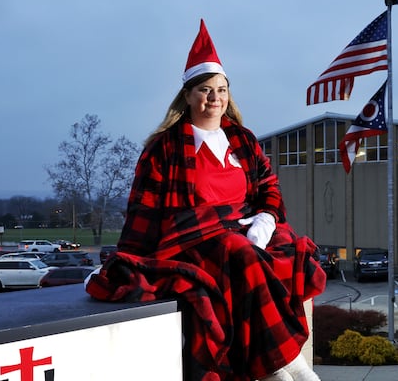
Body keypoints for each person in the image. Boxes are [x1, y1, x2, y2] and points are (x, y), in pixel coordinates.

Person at [86, 19, 326, 381]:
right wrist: (126, 258)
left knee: (291, 253)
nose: (214, 98)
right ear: (187, 96)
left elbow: (269, 189)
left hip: (244, 227)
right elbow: (143, 208)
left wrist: (266, 219)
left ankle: (279, 360)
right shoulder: (163, 148)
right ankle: (282, 365)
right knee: (242, 253)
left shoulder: (243, 141)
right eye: (205, 90)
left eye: (221, 90)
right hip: (191, 237)